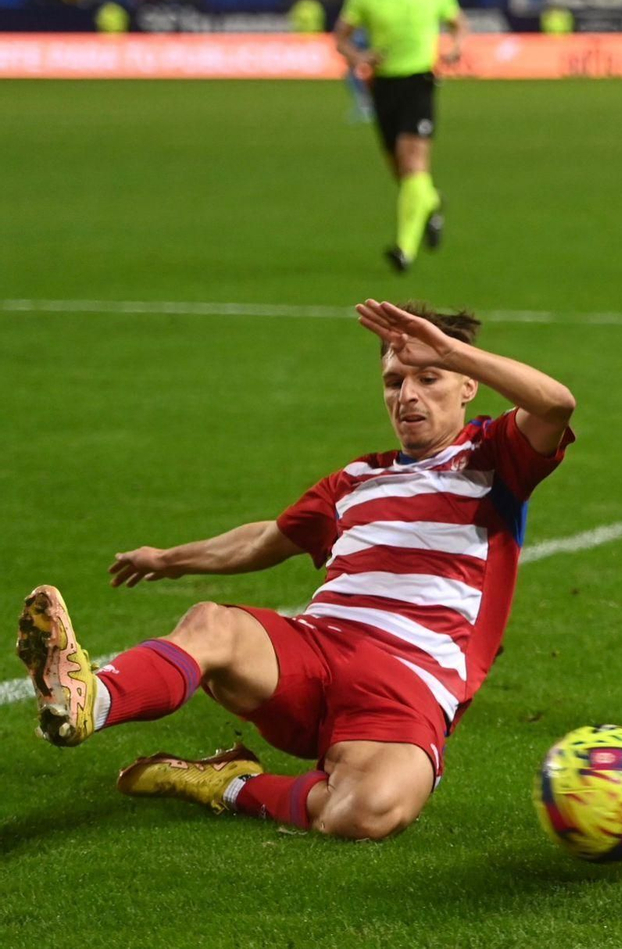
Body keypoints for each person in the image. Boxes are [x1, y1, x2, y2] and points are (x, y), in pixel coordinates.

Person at [16, 301, 576, 839]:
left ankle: (227, 784)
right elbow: (268, 538)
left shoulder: (492, 457)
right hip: (313, 654)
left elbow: (555, 405)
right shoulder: (356, 480)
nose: (407, 395)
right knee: (213, 624)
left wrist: (451, 351)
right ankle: (90, 699)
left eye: (428, 377)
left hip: (408, 688)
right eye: (394, 381)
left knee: (367, 813)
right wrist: (169, 559)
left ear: (465, 384)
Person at [334, 0, 466, 273]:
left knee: (412, 165)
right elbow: (341, 38)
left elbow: (458, 23)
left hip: (420, 82)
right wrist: (358, 57)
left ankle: (404, 249)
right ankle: (432, 205)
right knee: (404, 174)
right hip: (384, 86)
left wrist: (454, 46)